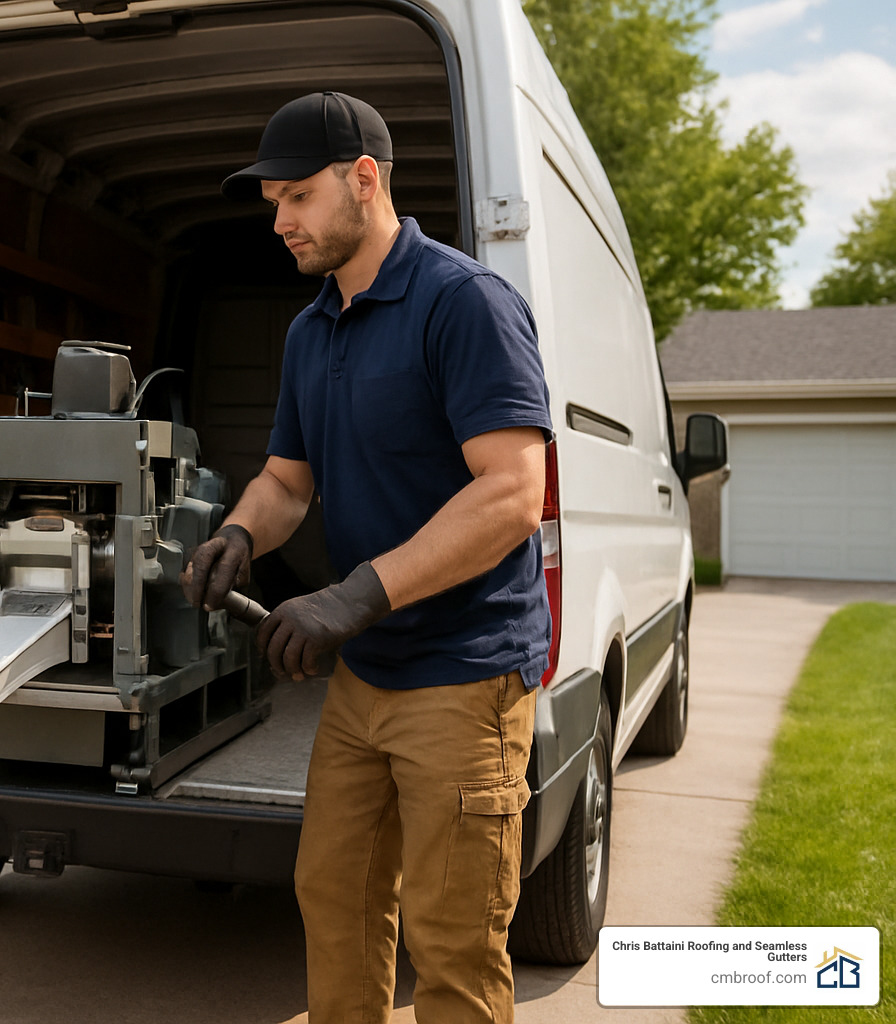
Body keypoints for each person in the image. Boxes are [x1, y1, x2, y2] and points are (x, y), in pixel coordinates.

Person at [181, 92, 553, 1023]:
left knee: (453, 943)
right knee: (337, 905)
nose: (281, 222)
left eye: (297, 197)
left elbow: (511, 493)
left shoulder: (463, 301)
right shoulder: (312, 329)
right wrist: (237, 532)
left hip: (464, 681)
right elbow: (285, 481)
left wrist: (353, 597)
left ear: (364, 179)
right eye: (272, 201)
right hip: (365, 682)